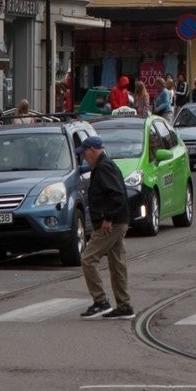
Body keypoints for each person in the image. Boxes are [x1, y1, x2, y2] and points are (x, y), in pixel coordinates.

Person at [78, 133, 134, 319]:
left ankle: (101, 301)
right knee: (117, 264)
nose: (83, 156)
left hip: (111, 223)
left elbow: (117, 195)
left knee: (88, 259)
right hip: (118, 220)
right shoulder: (105, 165)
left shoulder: (103, 167)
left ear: (93, 150)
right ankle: (124, 305)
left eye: (85, 152)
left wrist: (108, 218)